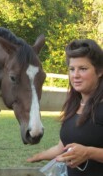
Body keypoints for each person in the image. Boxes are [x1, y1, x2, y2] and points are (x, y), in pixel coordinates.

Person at [27, 39, 103, 176]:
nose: (75, 75)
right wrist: (38, 156)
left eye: (83, 69)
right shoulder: (73, 107)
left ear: (99, 72)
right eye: (72, 69)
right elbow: (62, 147)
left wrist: (89, 152)